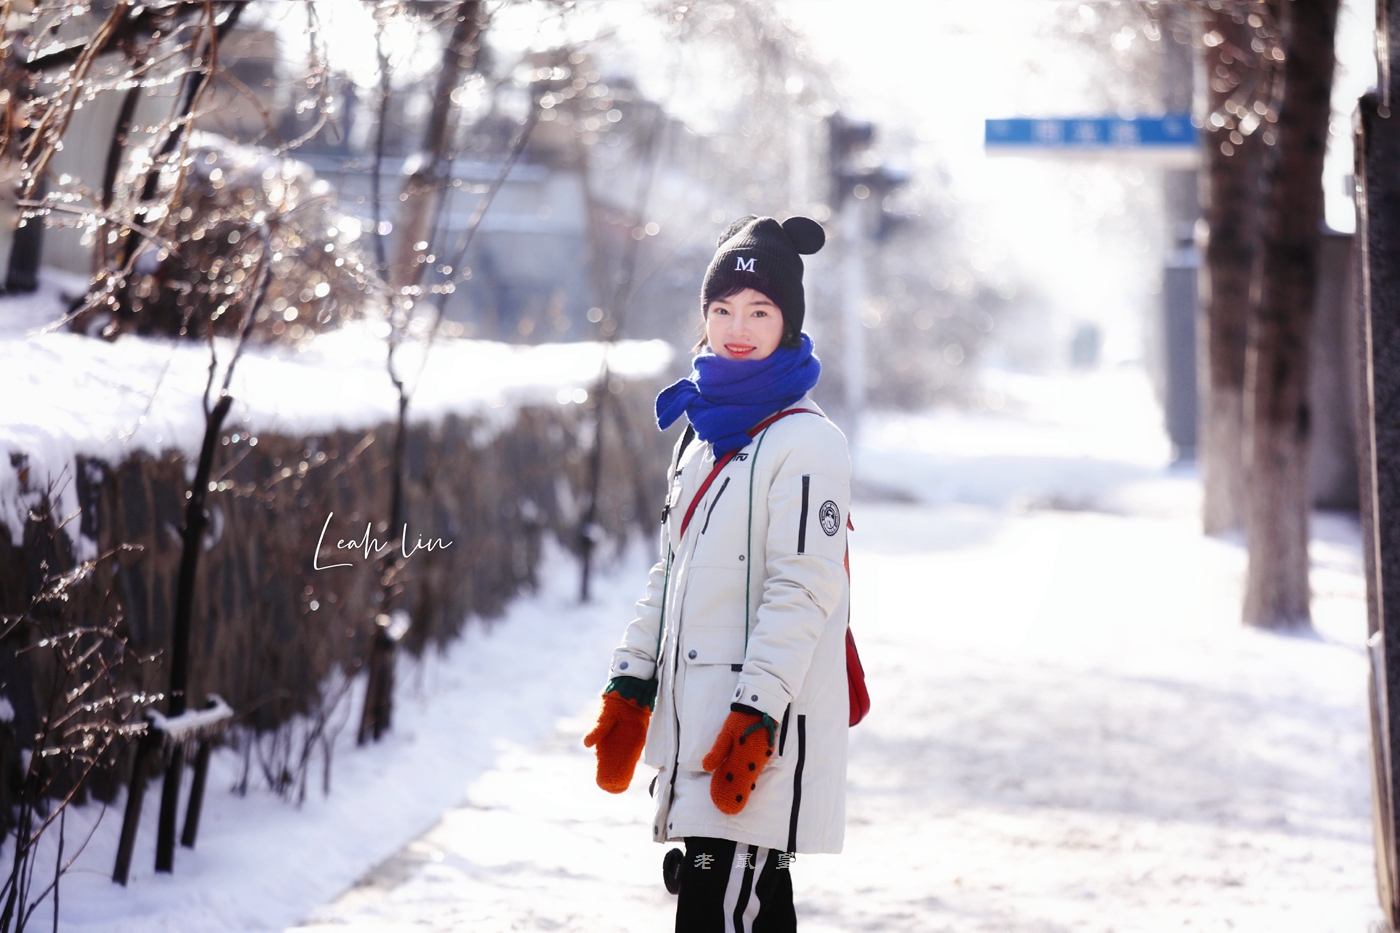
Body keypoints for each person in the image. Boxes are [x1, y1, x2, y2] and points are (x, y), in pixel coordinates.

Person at [583, 215, 851, 932]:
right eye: (723, 308)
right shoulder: (700, 437)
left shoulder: (806, 441)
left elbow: (803, 591)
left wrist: (756, 714)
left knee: (719, 913)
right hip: (692, 726)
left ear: (788, 323)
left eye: (760, 311)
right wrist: (630, 683)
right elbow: (669, 572)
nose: (738, 326)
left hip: (755, 735)